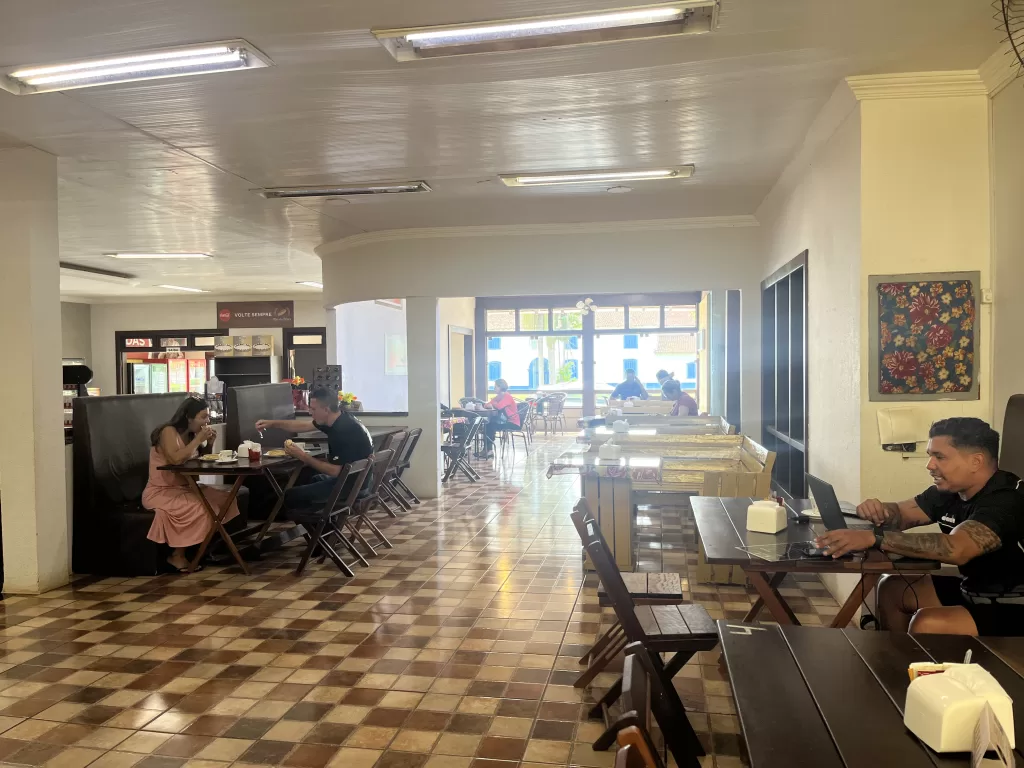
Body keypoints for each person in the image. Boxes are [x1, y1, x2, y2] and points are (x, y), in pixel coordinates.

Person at [815, 418, 1024, 637]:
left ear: (976, 461)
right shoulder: (950, 491)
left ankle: (923, 669)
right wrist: (879, 510)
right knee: (892, 590)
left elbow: (957, 548)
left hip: (1015, 605)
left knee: (927, 622)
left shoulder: (1007, 500)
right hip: (974, 590)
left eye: (939, 457)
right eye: (930, 456)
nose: (930, 465)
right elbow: (903, 513)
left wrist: (874, 538)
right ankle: (895, 663)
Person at [144, 395, 239, 573]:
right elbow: (176, 459)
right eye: (203, 417)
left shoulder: (191, 435)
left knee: (226, 499)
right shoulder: (168, 432)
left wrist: (209, 445)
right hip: (161, 492)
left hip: (185, 487)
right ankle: (177, 555)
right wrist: (198, 440)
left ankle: (203, 549)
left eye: (208, 417)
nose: (207, 421)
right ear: (188, 418)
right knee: (204, 508)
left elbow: (199, 463)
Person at [255, 388, 374, 511]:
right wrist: (272, 423)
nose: (309, 412)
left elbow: (334, 471)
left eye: (313, 409)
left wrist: (302, 456)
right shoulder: (342, 418)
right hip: (360, 482)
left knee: (290, 496)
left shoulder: (341, 432)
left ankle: (318, 525)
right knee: (312, 477)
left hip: (351, 487)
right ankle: (324, 525)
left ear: (326, 409)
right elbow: (303, 425)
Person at [478, 378, 520, 459]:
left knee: (490, 426)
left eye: (496, 387)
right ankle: (487, 449)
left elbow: (499, 406)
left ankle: (488, 450)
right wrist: (493, 403)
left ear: (501, 387)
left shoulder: (507, 396)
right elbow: (487, 405)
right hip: (505, 421)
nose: (494, 388)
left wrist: (493, 403)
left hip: (513, 423)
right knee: (489, 424)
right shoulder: (499, 396)